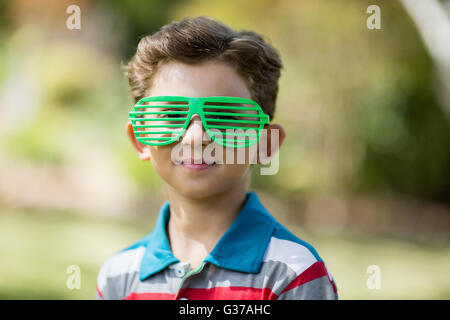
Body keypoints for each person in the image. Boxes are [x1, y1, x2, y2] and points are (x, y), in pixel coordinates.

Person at [95, 16, 338, 300]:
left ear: (265, 143)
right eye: (171, 115)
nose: (196, 138)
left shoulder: (293, 274)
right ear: (140, 139)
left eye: (223, 115)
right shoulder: (118, 276)